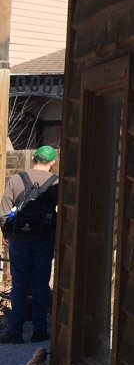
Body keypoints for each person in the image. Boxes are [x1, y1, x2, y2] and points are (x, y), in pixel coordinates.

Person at [0, 145, 59, 343]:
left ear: (33, 158)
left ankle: (14, 331)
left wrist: (9, 234)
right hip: (44, 239)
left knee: (19, 284)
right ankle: (40, 330)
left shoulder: (16, 180)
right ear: (52, 162)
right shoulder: (56, 183)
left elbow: (3, 214)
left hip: (19, 240)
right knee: (41, 283)